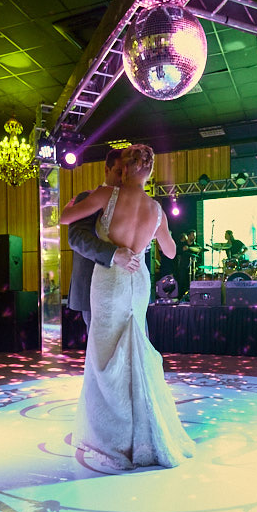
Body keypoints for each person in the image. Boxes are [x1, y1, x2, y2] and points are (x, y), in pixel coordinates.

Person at [60, 144, 195, 469]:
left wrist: (69, 206)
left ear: (125, 170)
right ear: (148, 172)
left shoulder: (107, 195)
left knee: (105, 358)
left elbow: (66, 219)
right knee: (137, 351)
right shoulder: (157, 209)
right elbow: (173, 252)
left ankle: (114, 438)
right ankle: (146, 430)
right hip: (139, 279)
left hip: (110, 280)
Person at [66, 148, 139, 330]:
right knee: (103, 353)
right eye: (118, 172)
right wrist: (115, 254)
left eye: (127, 174)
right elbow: (76, 237)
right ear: (106, 170)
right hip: (94, 288)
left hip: (126, 288)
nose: (123, 179)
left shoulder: (134, 204)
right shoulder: (88, 198)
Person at [174, 229, 200, 300]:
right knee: (182, 283)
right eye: (193, 236)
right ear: (188, 236)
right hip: (183, 267)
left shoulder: (197, 246)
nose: (194, 237)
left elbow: (199, 257)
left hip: (193, 268)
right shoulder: (182, 245)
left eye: (195, 236)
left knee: (193, 284)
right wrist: (182, 249)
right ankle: (181, 299)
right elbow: (176, 253)